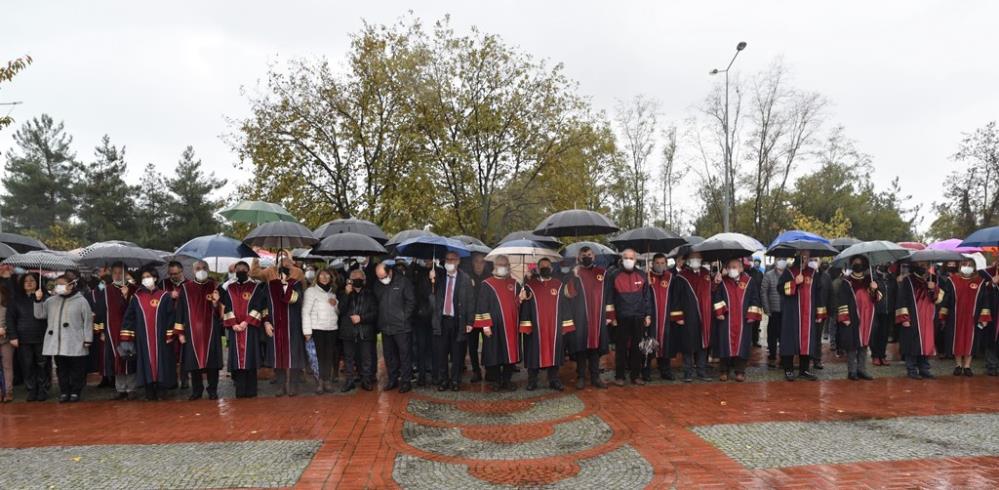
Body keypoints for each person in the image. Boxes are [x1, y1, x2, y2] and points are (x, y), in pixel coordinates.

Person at [32, 274, 94, 402]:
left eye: (61, 284)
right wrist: (38, 300)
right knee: (61, 369)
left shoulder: (81, 301)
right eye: (57, 284)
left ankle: (76, 391)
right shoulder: (51, 300)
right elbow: (39, 315)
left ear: (71, 285)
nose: (58, 287)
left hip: (76, 341)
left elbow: (88, 321)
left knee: (77, 368)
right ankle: (64, 391)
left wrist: (88, 338)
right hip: (58, 342)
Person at [121, 268, 177, 400]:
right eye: (143, 277)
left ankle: (162, 390)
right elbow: (129, 318)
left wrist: (170, 335)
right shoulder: (136, 297)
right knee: (146, 363)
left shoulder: (164, 296)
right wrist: (127, 338)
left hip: (161, 338)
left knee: (162, 363)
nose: (146, 279)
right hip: (143, 339)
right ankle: (149, 391)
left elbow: (171, 317)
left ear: (155, 278)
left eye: (148, 276)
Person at [520, 258, 573, 391]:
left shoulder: (558, 285)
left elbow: (565, 306)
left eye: (547, 266)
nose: (545, 268)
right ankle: (532, 380)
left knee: (555, 352)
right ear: (537, 268)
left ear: (552, 268)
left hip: (553, 327)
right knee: (533, 352)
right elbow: (525, 307)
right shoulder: (530, 286)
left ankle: (554, 379)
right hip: (536, 328)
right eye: (542, 266)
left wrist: (565, 326)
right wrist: (526, 326)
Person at [174, 260, 223, 400]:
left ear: (208, 269)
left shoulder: (215, 287)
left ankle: (212, 390)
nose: (201, 270)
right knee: (193, 362)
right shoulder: (185, 288)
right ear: (193, 271)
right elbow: (180, 312)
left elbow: (224, 310)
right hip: (192, 331)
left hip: (211, 331)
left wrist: (215, 304)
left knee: (212, 363)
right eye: (198, 268)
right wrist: (180, 333)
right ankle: (197, 390)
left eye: (203, 268)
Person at [473, 255, 524, 391]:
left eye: (505, 264)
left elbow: (517, 305)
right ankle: (496, 381)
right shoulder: (487, 284)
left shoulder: (514, 284)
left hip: (511, 326)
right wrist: (485, 325)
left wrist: (521, 299)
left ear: (508, 267)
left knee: (509, 354)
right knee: (494, 353)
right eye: (499, 264)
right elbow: (482, 305)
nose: (502, 267)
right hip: (493, 326)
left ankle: (507, 380)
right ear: (494, 267)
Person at [564, 246, 611, 389]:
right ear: (578, 257)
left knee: (595, 348)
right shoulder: (575, 273)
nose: (587, 257)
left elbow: (609, 295)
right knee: (581, 348)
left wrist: (609, 315)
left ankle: (596, 377)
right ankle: (581, 377)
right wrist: (573, 277)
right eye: (584, 255)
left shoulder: (602, 273)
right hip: (580, 316)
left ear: (594, 256)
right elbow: (568, 295)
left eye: (589, 254)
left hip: (598, 316)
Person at [220, 261, 267, 398]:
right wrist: (233, 323)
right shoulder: (230, 288)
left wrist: (246, 322)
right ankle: (240, 390)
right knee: (237, 361)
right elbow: (226, 306)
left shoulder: (255, 287)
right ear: (235, 271)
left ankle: (251, 390)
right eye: (238, 269)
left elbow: (259, 305)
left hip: (250, 329)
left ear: (248, 270)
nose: (240, 270)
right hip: (235, 330)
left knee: (251, 359)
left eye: (243, 269)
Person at [711, 258, 763, 382]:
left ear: (741, 268)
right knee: (725, 344)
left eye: (735, 267)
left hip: (743, 320)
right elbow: (717, 297)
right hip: (726, 319)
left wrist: (752, 315)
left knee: (742, 345)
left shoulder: (749, 281)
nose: (732, 269)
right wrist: (719, 312)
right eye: (729, 267)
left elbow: (755, 299)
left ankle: (740, 371)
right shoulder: (723, 282)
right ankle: (724, 370)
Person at [778, 252, 827, 381]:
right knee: (790, 340)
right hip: (792, 313)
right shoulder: (789, 272)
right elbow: (780, 289)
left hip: (808, 313)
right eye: (803, 257)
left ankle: (804, 369)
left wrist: (819, 313)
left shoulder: (813, 273)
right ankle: (788, 369)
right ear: (797, 258)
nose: (805, 259)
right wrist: (794, 282)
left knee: (807, 341)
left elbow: (819, 293)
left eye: (807, 257)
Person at [430, 251, 475, 392]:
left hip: (458, 321)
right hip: (442, 321)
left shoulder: (465, 279)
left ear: (458, 261)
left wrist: (470, 322)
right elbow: (432, 298)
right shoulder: (439, 277)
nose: (449, 262)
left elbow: (470, 303)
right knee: (442, 353)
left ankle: (455, 380)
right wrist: (431, 281)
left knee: (457, 354)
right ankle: (443, 380)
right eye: (447, 259)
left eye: (452, 259)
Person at [937, 258, 991, 376]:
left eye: (970, 265)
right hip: (955, 318)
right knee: (957, 340)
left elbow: (985, 301)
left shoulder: (980, 281)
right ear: (960, 266)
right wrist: (943, 316)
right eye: (964, 264)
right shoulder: (952, 280)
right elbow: (946, 299)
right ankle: (958, 365)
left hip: (973, 317)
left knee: (970, 341)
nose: (967, 266)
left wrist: (984, 318)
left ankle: (967, 366)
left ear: (974, 267)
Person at [606, 249, 652, 386]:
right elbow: (609, 298)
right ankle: (619, 376)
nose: (628, 260)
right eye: (625, 257)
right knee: (620, 348)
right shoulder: (613, 275)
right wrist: (611, 317)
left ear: (635, 260)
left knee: (637, 348)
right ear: (621, 259)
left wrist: (648, 314)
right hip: (621, 317)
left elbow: (647, 297)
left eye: (631, 258)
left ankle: (635, 376)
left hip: (638, 316)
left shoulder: (642, 275)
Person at [92, 263, 138, 399]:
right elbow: (100, 311)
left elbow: (135, 311)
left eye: (121, 273)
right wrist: (101, 331)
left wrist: (126, 296)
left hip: (129, 330)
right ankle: (120, 389)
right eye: (115, 273)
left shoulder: (134, 289)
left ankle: (131, 389)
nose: (118, 275)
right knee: (116, 358)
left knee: (129, 357)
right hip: (111, 330)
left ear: (126, 274)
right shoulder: (106, 290)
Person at [262, 258, 306, 396]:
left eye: (285, 271)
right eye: (280, 271)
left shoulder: (296, 285)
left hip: (292, 326)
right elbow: (263, 306)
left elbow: (294, 300)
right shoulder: (269, 286)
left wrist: (286, 286)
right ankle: (281, 385)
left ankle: (293, 384)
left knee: (294, 356)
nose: (282, 274)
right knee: (278, 355)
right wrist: (266, 322)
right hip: (275, 326)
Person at [834, 256, 883, 381]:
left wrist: (874, 289)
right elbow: (841, 300)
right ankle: (852, 371)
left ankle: (862, 369)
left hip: (867, 316)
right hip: (853, 316)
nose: (858, 264)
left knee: (864, 343)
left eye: (860, 263)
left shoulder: (870, 280)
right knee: (852, 344)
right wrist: (844, 316)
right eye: (855, 262)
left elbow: (877, 298)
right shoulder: (847, 282)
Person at [6, 273, 51, 401]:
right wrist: (13, 336)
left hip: (42, 336)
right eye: (26, 281)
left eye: (32, 280)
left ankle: (43, 389)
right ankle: (32, 389)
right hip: (23, 337)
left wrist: (39, 299)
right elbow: (10, 319)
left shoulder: (46, 298)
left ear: (37, 282)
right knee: (27, 365)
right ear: (22, 284)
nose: (29, 283)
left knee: (42, 364)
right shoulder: (15, 299)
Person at [373, 262, 416, 393]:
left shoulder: (403, 282)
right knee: (389, 355)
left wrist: (404, 317)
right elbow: (377, 302)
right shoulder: (378, 285)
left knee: (404, 355)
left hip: (402, 327)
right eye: (379, 277)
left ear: (390, 272)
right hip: (386, 327)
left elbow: (411, 301)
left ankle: (406, 381)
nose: (382, 280)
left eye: (383, 276)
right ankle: (392, 379)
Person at [673, 250, 715, 382]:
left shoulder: (706, 274)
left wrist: (716, 282)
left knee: (703, 343)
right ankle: (688, 372)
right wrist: (678, 316)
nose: (695, 260)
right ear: (687, 260)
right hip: (688, 314)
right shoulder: (681, 277)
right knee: (688, 344)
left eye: (698, 258)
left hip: (705, 314)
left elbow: (711, 292)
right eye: (693, 258)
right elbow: (676, 298)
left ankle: (702, 371)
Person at [895, 260, 940, 379]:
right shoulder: (908, 280)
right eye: (920, 265)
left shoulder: (929, 280)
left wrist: (932, 288)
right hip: (913, 316)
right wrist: (904, 318)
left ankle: (924, 368)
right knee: (912, 343)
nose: (922, 267)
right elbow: (901, 299)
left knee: (925, 343)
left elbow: (935, 299)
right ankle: (911, 369)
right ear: (914, 266)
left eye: (924, 265)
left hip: (927, 318)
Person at [338, 268, 378, 392]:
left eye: (360, 278)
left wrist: (361, 318)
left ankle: (366, 380)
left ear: (364, 280)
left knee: (366, 358)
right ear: (350, 280)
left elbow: (375, 313)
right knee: (349, 358)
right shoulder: (344, 293)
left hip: (365, 331)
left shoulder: (370, 294)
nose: (357, 280)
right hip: (348, 331)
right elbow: (341, 310)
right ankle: (349, 380)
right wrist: (346, 294)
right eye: (354, 278)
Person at [646, 253, 684, 381]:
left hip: (666, 318)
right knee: (649, 343)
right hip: (652, 317)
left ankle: (665, 370)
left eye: (663, 263)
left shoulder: (671, 278)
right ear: (652, 264)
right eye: (657, 263)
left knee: (665, 345)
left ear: (666, 264)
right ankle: (646, 371)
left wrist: (676, 316)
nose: (660, 265)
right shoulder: (647, 277)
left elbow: (676, 298)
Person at [303, 268, 340, 393]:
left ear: (331, 278)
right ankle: (319, 382)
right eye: (322, 275)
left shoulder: (332, 292)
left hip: (331, 329)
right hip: (317, 328)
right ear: (317, 277)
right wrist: (307, 331)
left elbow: (337, 312)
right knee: (318, 356)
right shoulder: (311, 291)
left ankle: (327, 381)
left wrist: (335, 304)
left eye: (327, 275)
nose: (325, 278)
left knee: (329, 356)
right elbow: (305, 312)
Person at [161, 260, 188, 390]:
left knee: (184, 352)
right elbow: (156, 296)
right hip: (168, 323)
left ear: (182, 271)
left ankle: (184, 379)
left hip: (183, 322)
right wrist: (168, 295)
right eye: (171, 274)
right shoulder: (163, 284)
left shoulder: (189, 284)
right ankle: (171, 380)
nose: (173, 276)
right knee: (169, 352)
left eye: (176, 273)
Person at [409, 259, 436, 386]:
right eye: (426, 260)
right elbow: (410, 282)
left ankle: (434, 374)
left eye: (430, 259)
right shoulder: (418, 272)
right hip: (420, 316)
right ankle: (422, 376)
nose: (428, 262)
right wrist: (413, 263)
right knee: (420, 346)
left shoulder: (439, 272)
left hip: (434, 317)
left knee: (434, 346)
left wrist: (434, 282)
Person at [466, 252, 490, 382]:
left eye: (482, 261)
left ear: (485, 263)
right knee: (472, 346)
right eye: (476, 261)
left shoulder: (489, 277)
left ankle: (489, 369)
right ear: (472, 262)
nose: (479, 264)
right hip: (472, 317)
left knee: (488, 345)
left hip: (486, 317)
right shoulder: (467, 277)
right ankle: (476, 371)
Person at [760, 258, 786, 368]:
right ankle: (772, 356)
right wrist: (767, 309)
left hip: (786, 310)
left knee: (784, 335)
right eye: (779, 260)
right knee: (772, 335)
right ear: (775, 263)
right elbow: (763, 292)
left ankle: (784, 357)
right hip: (773, 310)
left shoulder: (789, 274)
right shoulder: (769, 275)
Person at [0, 286, 12, 402]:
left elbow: (11, 322)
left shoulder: (6, 309)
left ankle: (8, 391)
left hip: (6, 341)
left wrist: (5, 329)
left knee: (7, 366)